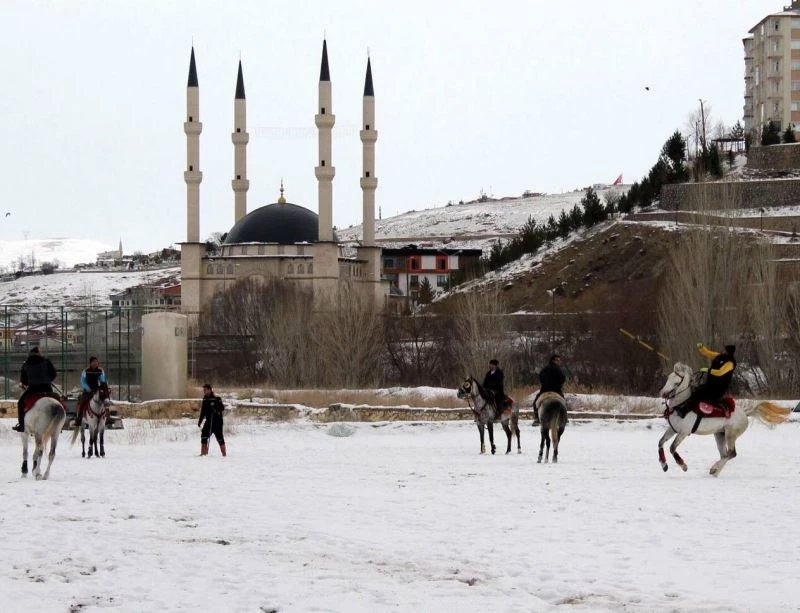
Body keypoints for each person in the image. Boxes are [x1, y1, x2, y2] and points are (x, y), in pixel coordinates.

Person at [13, 346, 57, 432]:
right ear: (38, 353)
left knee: (20, 403)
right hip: (47, 388)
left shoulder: (26, 364)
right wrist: (48, 380)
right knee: (58, 401)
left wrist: (28, 383)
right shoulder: (46, 361)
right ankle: (57, 422)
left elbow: (24, 380)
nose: (42, 353)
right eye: (40, 352)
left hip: (33, 389)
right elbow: (53, 374)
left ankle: (21, 426)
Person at [686, 343, 737, 410]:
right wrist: (701, 348)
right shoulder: (719, 356)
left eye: (725, 350)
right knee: (695, 391)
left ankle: (687, 410)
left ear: (728, 352)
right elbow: (708, 353)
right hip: (710, 384)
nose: (723, 350)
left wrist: (708, 370)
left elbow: (720, 372)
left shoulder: (730, 363)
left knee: (698, 395)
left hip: (719, 388)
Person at [532, 354, 567, 426]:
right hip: (556, 390)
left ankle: (536, 418)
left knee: (535, 403)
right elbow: (563, 379)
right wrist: (558, 384)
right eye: (557, 360)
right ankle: (565, 417)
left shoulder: (544, 369)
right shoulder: (558, 369)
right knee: (563, 402)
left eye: (559, 360)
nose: (559, 362)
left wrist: (545, 383)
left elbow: (541, 377)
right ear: (553, 360)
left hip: (545, 390)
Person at [76, 356, 108, 428]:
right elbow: (83, 381)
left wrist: (102, 382)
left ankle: (106, 416)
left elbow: (102, 380)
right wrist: (88, 388)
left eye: (96, 362)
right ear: (90, 363)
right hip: (88, 391)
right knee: (83, 402)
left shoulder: (100, 370)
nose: (95, 363)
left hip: (97, 390)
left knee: (105, 400)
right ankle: (79, 418)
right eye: (94, 362)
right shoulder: (85, 371)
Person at [198, 383, 226, 457]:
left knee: (219, 437)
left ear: (210, 390)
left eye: (205, 390)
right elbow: (203, 411)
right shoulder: (205, 399)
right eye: (204, 390)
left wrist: (215, 409)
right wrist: (200, 421)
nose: (204, 391)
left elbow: (222, 408)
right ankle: (203, 453)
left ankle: (224, 454)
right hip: (208, 421)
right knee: (204, 435)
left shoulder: (217, 398)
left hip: (217, 422)